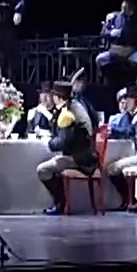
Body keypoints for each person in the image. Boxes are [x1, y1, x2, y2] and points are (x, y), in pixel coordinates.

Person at [36, 81, 99, 215]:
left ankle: (61, 202)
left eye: (53, 95)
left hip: (80, 159)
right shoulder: (70, 107)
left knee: (43, 169)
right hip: (80, 155)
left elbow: (62, 142)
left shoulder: (68, 114)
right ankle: (61, 201)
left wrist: (49, 142)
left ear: (58, 97)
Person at [97, 0, 137, 78]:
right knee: (100, 59)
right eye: (124, 2)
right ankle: (106, 82)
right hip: (116, 51)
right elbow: (103, 33)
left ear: (134, 6)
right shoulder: (113, 17)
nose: (124, 5)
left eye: (128, 3)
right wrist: (110, 33)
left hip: (133, 51)